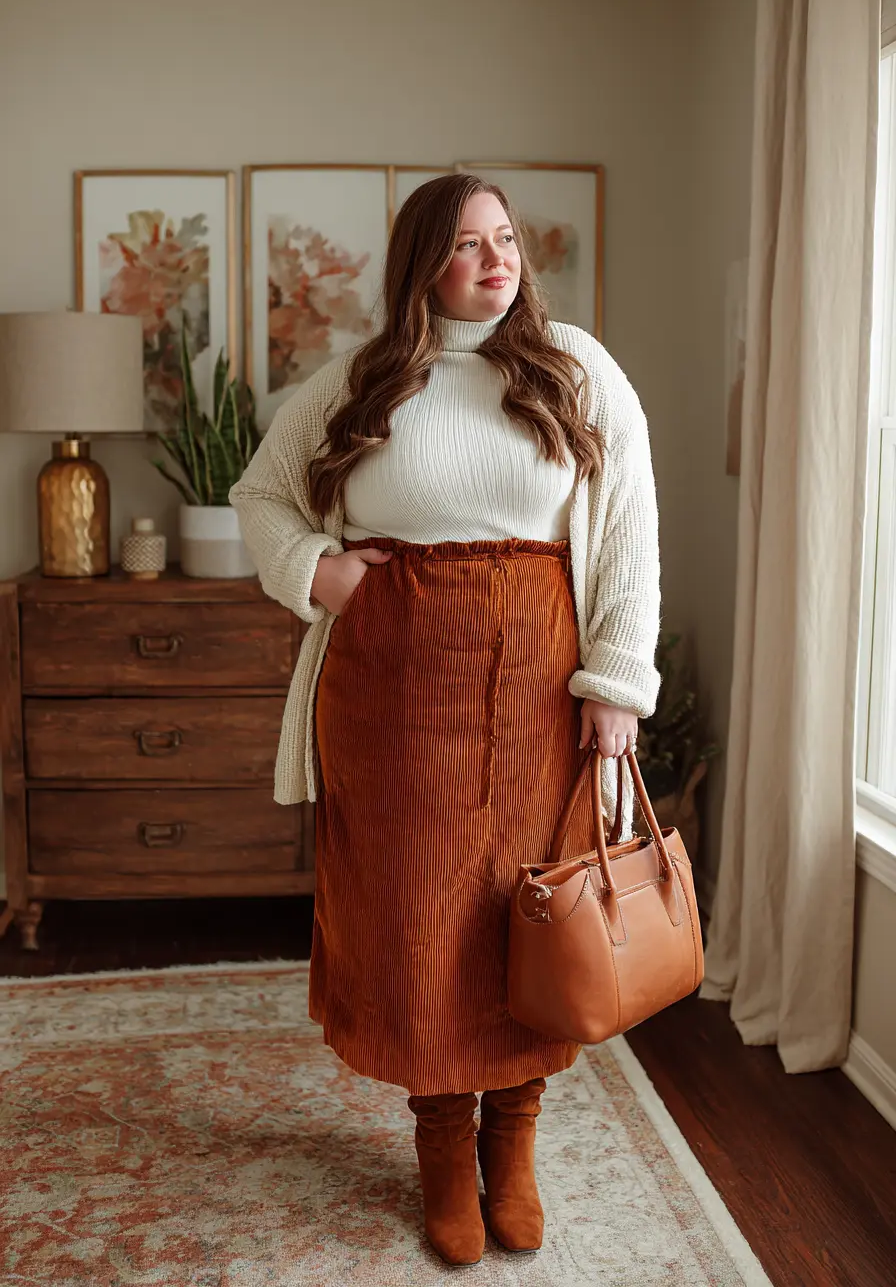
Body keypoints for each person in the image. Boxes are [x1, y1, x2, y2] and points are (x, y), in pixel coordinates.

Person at [229, 173, 662, 1268]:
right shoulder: (361, 381)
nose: (494, 260)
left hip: (538, 692)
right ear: (421, 264)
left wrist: (615, 683)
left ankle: (510, 1147)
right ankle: (439, 1153)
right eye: (466, 244)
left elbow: (628, 534)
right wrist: (316, 574)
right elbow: (260, 497)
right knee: (417, 920)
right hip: (390, 693)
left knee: (531, 914)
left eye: (505, 239)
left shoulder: (573, 367)